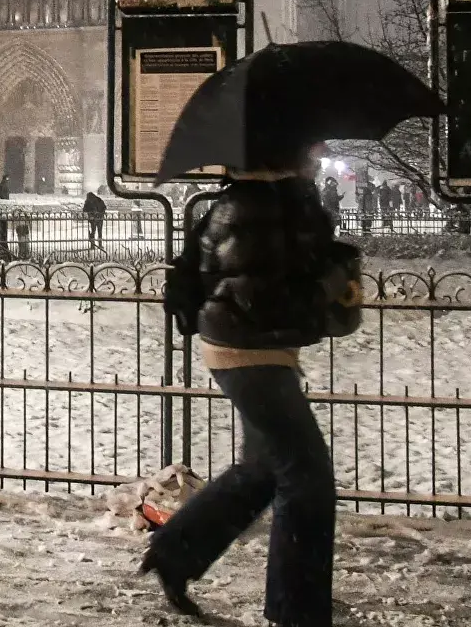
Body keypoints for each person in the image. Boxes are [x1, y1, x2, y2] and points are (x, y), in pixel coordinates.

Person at [142, 143, 356, 627]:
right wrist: (329, 270)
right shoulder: (260, 206)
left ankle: (177, 552)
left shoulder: (270, 201)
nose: (315, 160)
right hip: (249, 350)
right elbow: (264, 292)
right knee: (307, 481)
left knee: (263, 469)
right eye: (308, 153)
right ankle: (296, 613)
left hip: (256, 348)